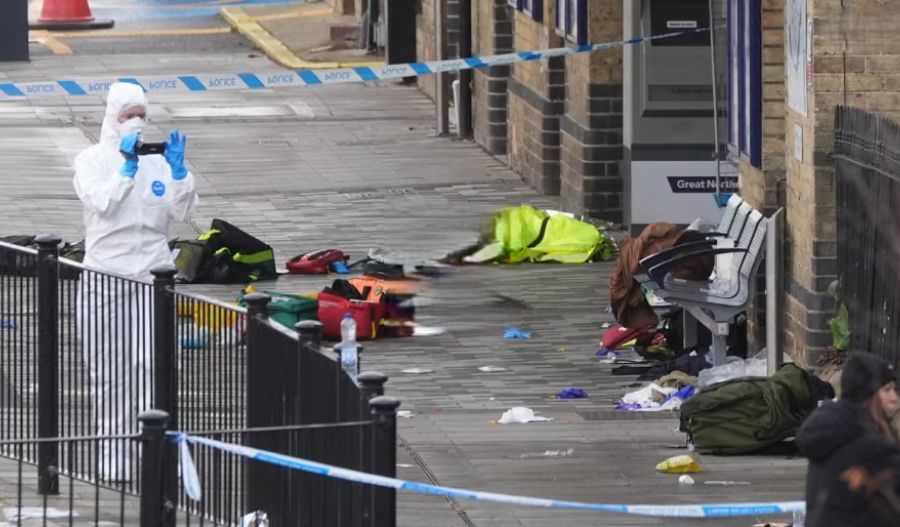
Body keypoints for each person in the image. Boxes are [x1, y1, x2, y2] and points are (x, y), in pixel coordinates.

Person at [73, 82, 198, 481]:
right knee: (110, 368)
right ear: (112, 118)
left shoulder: (158, 162)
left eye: (142, 114)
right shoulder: (91, 159)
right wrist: (126, 169)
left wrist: (179, 172)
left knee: (153, 362)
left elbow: (182, 210)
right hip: (106, 275)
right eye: (128, 115)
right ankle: (115, 452)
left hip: (153, 274)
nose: (137, 122)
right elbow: (103, 203)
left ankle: (157, 448)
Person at [796, 352, 900, 526]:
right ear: (867, 394)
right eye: (886, 390)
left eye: (895, 390)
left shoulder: (833, 429)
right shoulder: (868, 443)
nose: (894, 398)